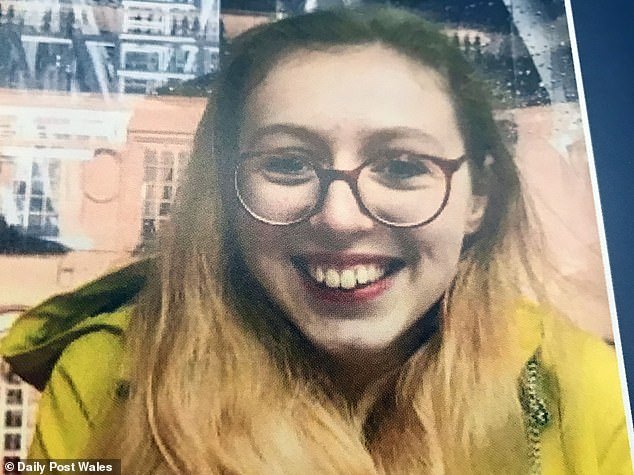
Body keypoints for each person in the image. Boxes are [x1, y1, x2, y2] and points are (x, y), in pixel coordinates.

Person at [1, 7, 631, 474]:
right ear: (224, 191)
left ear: (479, 197)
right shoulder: (105, 376)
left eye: (402, 166)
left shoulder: (588, 391)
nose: (340, 218)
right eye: (287, 164)